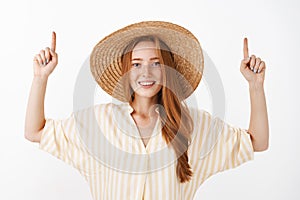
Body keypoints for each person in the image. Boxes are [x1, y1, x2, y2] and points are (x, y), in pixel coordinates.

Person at [25, 21, 269, 200]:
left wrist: (255, 86)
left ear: (167, 70)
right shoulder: (98, 122)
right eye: (136, 64)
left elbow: (256, 142)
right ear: (126, 71)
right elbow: (35, 131)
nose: (146, 73)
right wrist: (40, 78)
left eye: (156, 64)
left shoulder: (194, 126)